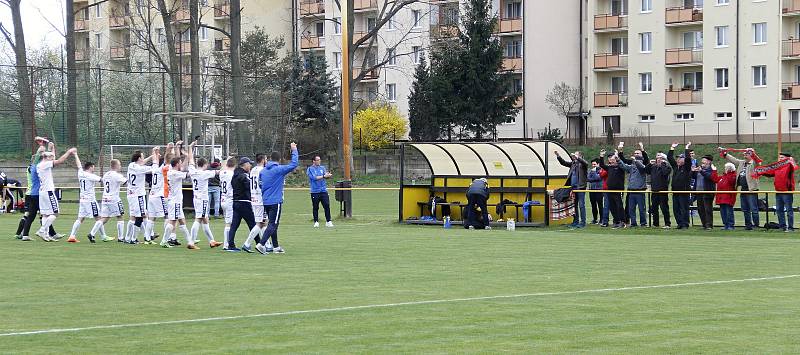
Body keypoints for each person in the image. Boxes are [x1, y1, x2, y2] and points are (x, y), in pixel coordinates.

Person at [251, 143, 298, 255]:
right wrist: (294, 150)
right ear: (279, 159)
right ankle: (261, 244)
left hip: (265, 201)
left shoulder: (263, 171)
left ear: (270, 159)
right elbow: (294, 164)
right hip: (275, 201)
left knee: (273, 224)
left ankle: (276, 247)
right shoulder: (279, 169)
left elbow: (260, 185)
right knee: (273, 224)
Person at [16, 145, 61, 241]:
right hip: (38, 194)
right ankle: (48, 233)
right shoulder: (38, 167)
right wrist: (42, 151)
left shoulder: (31, 168)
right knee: (46, 214)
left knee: (30, 215)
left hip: (31, 194)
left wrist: (44, 151)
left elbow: (47, 159)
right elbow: (50, 160)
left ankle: (24, 235)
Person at [35, 144, 77, 241]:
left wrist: (52, 148)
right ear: (47, 158)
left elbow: (53, 158)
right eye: (51, 157)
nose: (53, 158)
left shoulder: (40, 164)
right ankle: (42, 230)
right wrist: (69, 152)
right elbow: (59, 161)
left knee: (45, 214)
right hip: (48, 192)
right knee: (55, 213)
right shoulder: (45, 164)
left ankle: (45, 234)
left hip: (42, 192)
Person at [186, 141, 223, 248]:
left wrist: (190, 148)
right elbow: (217, 172)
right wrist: (225, 164)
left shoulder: (192, 170)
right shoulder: (204, 173)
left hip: (196, 198)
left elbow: (191, 159)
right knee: (199, 218)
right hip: (202, 198)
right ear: (205, 165)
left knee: (205, 219)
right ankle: (191, 242)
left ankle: (212, 241)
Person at [753, 152, 798, 232]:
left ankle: (791, 228)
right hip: (778, 192)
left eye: (782, 157)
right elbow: (769, 172)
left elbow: (795, 166)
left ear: (787, 158)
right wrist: (760, 171)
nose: (780, 159)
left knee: (789, 210)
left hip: (787, 192)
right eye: (779, 157)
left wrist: (791, 160)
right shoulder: (778, 167)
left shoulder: (789, 165)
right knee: (779, 210)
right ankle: (782, 226)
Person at [224, 157, 261, 252]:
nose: (251, 165)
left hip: (235, 202)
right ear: (244, 165)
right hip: (244, 202)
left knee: (234, 225)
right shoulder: (243, 176)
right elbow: (249, 186)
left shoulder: (235, 175)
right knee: (252, 224)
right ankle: (259, 243)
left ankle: (231, 244)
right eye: (249, 164)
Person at [720, 147, 762, 230]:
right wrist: (725, 154)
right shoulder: (742, 163)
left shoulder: (754, 164)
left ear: (751, 155)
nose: (744, 156)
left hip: (751, 190)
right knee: (745, 209)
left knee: (753, 209)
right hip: (743, 189)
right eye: (744, 154)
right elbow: (734, 160)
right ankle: (748, 225)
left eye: (746, 154)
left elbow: (758, 161)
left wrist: (753, 154)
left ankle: (756, 225)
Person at [68, 151, 104, 243]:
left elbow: (79, 165)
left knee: (80, 218)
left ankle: (72, 236)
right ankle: (100, 235)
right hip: (90, 200)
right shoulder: (90, 175)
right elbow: (101, 180)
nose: (94, 168)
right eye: (93, 167)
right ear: (91, 167)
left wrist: (75, 154)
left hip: (82, 200)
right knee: (99, 218)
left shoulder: (80, 173)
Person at [161, 156, 196, 248]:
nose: (181, 164)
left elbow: (183, 170)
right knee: (172, 222)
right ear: (177, 164)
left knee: (182, 221)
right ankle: (164, 241)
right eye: (180, 163)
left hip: (175, 201)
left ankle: (190, 242)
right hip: (175, 201)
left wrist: (187, 158)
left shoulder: (172, 172)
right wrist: (195, 170)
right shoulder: (174, 173)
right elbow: (187, 174)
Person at [89, 159, 127, 242]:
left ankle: (92, 234)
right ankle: (121, 238)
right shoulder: (117, 175)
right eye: (119, 164)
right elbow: (126, 182)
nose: (120, 166)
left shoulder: (106, 174)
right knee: (120, 216)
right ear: (116, 165)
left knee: (104, 218)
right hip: (114, 198)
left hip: (105, 198)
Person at [125, 149, 156, 244]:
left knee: (135, 216)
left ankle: (128, 238)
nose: (143, 159)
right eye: (142, 157)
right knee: (140, 217)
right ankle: (134, 239)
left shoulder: (131, 165)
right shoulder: (141, 169)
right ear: (139, 158)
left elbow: (142, 163)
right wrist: (155, 160)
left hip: (130, 195)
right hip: (138, 195)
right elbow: (153, 169)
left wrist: (151, 156)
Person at [618, 142, 648, 227]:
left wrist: (642, 148)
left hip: (640, 191)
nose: (636, 155)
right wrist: (618, 157)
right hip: (631, 191)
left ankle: (643, 223)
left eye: (638, 153)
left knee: (642, 209)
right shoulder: (632, 165)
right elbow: (623, 164)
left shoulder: (644, 164)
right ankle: (633, 223)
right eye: (635, 153)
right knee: (631, 209)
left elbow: (645, 161)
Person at [555, 150, 588, 228]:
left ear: (580, 156)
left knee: (581, 205)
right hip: (572, 188)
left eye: (576, 155)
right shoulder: (573, 164)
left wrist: (577, 157)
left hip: (580, 188)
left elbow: (585, 163)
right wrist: (558, 156)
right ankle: (575, 221)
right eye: (574, 155)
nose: (574, 157)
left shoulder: (583, 165)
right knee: (573, 205)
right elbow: (564, 163)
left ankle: (583, 222)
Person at [668, 142, 693, 229]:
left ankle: (685, 224)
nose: (678, 160)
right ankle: (679, 223)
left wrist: (686, 148)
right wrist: (672, 148)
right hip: (675, 192)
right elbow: (669, 158)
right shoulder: (676, 167)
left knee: (684, 209)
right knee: (676, 209)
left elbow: (688, 160)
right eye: (677, 158)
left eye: (680, 158)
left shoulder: (686, 167)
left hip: (684, 192)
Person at [599, 149, 626, 229]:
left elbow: (623, 164)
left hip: (618, 190)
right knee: (612, 207)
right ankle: (616, 221)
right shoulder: (609, 167)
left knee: (619, 206)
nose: (611, 160)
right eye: (610, 158)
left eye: (613, 158)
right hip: (610, 190)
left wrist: (618, 156)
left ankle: (622, 222)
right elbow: (602, 165)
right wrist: (601, 156)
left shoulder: (620, 166)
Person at [147, 145, 168, 243]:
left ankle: (147, 238)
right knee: (167, 216)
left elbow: (155, 160)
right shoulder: (161, 169)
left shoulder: (154, 168)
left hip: (151, 195)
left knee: (151, 218)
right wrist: (168, 149)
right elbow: (167, 160)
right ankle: (166, 238)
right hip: (159, 195)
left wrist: (154, 152)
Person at [646, 152, 672, 228]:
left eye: (661, 158)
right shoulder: (653, 167)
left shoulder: (667, 167)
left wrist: (663, 164)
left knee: (664, 208)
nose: (658, 160)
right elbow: (646, 171)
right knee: (654, 208)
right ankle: (655, 223)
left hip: (663, 191)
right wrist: (650, 164)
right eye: (657, 158)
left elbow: (665, 173)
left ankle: (667, 223)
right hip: (654, 191)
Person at [307, 155, 334, 227]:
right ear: (314, 161)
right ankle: (316, 221)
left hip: (323, 190)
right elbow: (314, 178)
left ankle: (328, 221)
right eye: (318, 160)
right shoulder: (310, 169)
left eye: (320, 160)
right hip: (315, 191)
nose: (319, 161)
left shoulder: (322, 168)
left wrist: (328, 175)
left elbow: (325, 176)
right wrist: (324, 176)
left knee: (327, 205)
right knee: (315, 207)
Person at [710, 163, 737, 231]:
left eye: (726, 168)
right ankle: (725, 224)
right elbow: (715, 179)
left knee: (729, 211)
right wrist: (714, 171)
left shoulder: (733, 175)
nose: (725, 169)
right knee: (723, 212)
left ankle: (731, 225)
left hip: (729, 197)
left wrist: (729, 172)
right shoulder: (723, 177)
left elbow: (732, 181)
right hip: (721, 198)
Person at [692, 154, 716, 230]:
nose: (702, 162)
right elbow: (693, 177)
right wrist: (693, 171)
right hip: (699, 192)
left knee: (707, 209)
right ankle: (704, 224)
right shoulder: (700, 168)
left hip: (707, 192)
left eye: (704, 160)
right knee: (700, 209)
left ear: (709, 161)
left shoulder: (712, 169)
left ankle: (709, 225)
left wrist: (701, 171)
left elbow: (710, 177)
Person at [219, 157, 236, 248]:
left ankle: (228, 242)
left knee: (228, 221)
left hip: (223, 199)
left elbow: (223, 167)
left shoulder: (222, 173)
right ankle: (227, 244)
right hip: (230, 199)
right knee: (229, 223)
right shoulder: (233, 174)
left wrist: (226, 160)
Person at [587, 160, 604, 225]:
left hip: (599, 190)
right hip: (591, 190)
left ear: (598, 164)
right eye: (592, 164)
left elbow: (598, 178)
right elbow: (588, 179)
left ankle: (601, 219)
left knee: (600, 205)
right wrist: (593, 177)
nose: (593, 166)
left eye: (595, 164)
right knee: (593, 205)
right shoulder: (591, 170)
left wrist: (594, 174)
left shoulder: (601, 170)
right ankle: (595, 219)